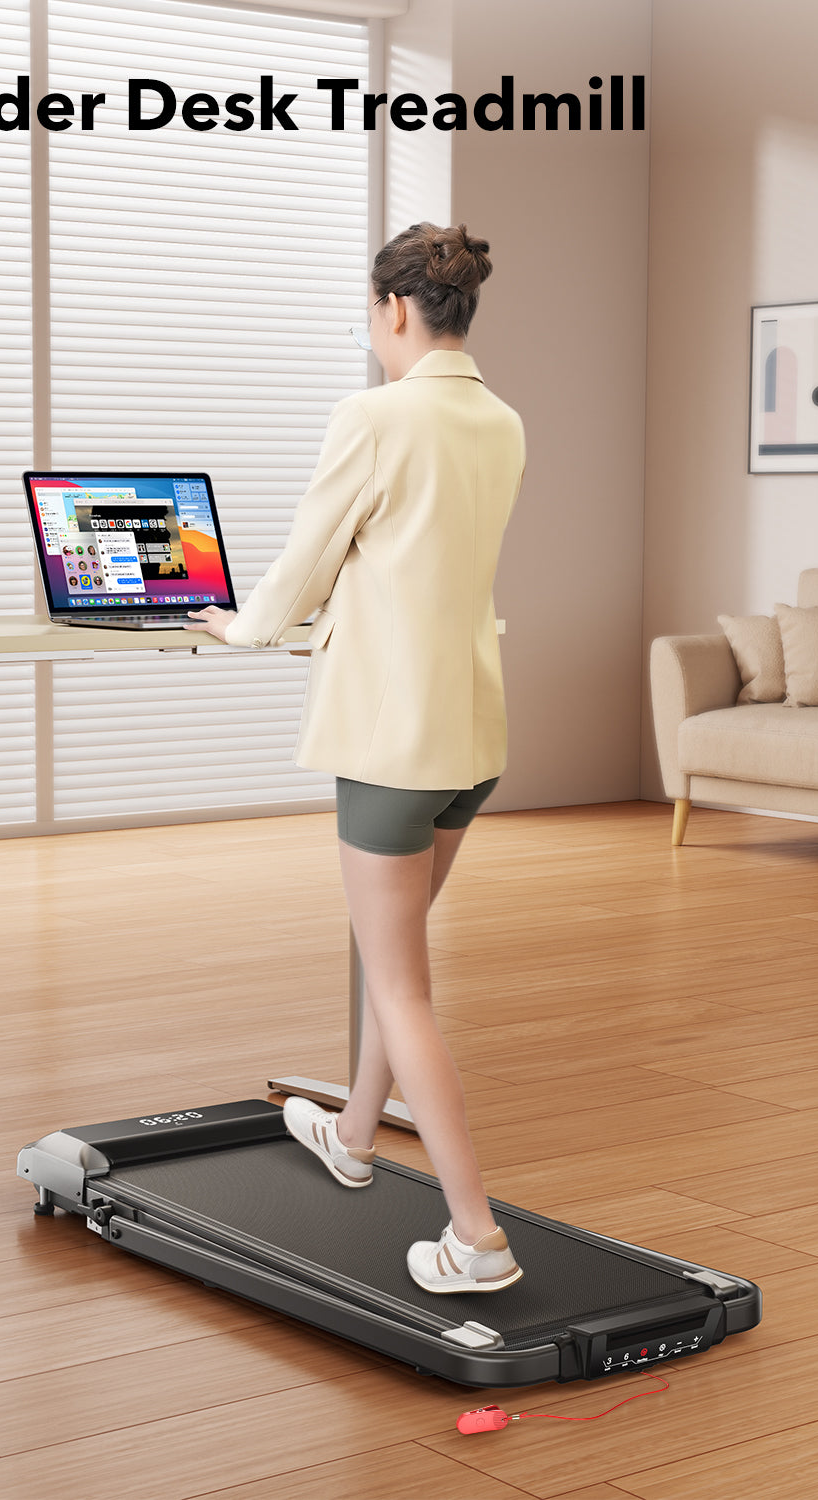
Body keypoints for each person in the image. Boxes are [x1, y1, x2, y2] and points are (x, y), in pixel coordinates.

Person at [184, 222, 525, 1294]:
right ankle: (357, 1138)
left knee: (400, 983)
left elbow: (305, 556)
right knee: (401, 956)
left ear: (393, 310)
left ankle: (477, 1238)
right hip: (472, 733)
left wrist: (236, 625)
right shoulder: (501, 420)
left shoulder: (374, 415)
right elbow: (413, 558)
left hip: (394, 734)